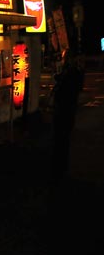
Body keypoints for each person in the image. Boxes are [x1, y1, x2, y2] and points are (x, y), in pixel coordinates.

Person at [50, 48, 84, 185]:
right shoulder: (75, 72)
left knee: (61, 139)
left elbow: (63, 88)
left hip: (64, 110)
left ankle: (59, 169)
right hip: (68, 110)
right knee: (63, 140)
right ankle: (61, 167)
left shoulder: (71, 73)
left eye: (65, 57)